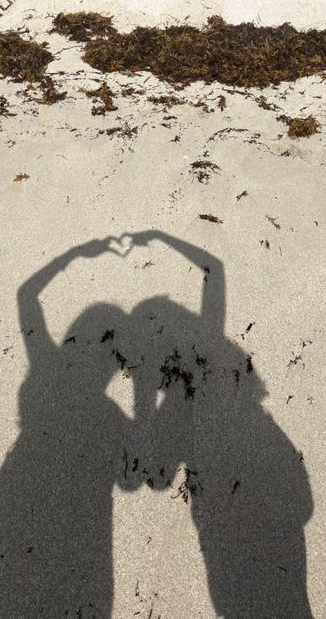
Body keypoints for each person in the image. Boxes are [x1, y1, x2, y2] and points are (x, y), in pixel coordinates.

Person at [126, 230, 315, 619]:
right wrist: (161, 237)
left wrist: (144, 395)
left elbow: (154, 480)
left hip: (235, 520)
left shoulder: (175, 410)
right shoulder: (217, 353)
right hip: (277, 465)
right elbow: (217, 270)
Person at [0, 239, 142, 619]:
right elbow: (135, 479)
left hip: (6, 512)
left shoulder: (44, 371)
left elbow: (26, 297)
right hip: (80, 545)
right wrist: (145, 395)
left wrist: (73, 256)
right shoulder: (109, 414)